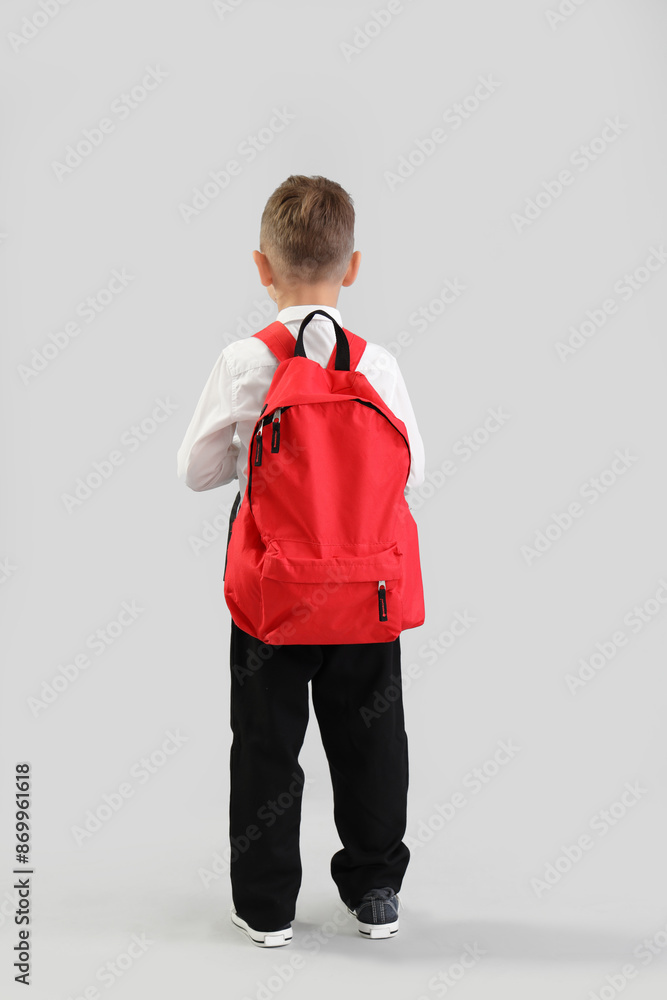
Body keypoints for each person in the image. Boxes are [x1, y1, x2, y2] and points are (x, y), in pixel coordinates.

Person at [177, 175, 425, 947]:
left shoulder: (243, 361)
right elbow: (411, 468)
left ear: (262, 266)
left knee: (263, 745)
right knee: (370, 741)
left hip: (273, 594)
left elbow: (196, 470)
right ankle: (375, 891)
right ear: (351, 267)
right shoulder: (376, 363)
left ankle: (266, 910)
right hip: (364, 592)